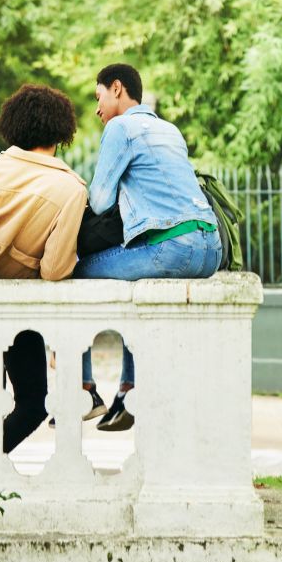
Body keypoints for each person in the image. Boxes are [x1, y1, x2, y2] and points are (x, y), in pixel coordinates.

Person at [74, 63, 221, 431]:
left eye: (99, 97)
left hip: (172, 248)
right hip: (211, 247)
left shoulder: (120, 128)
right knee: (131, 281)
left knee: (71, 272)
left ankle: (85, 389)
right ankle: (127, 389)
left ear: (118, 88)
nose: (97, 109)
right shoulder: (169, 129)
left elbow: (102, 199)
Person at [0, 83, 104, 453]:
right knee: (33, 403)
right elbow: (55, 270)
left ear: (13, 123)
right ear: (62, 131)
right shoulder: (70, 188)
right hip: (18, 312)